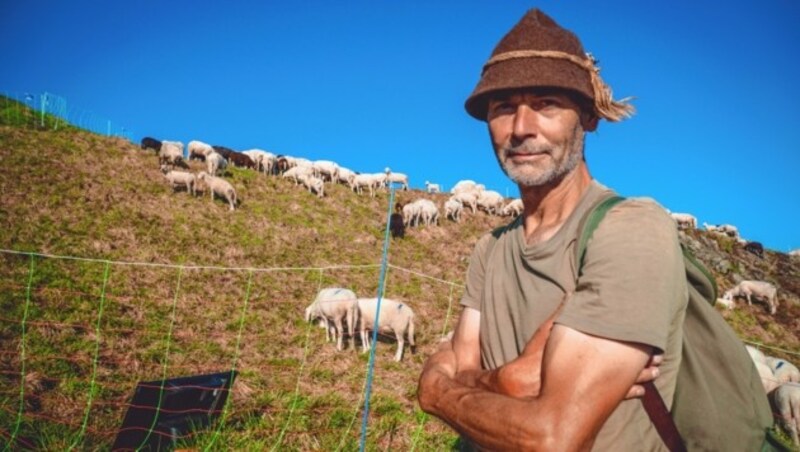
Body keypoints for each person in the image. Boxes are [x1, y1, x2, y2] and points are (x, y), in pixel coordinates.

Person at [417, 9, 690, 450]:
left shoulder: (630, 230)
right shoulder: (491, 248)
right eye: (504, 107)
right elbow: (464, 360)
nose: (521, 129)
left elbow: (552, 437)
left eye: (546, 104)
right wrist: (506, 380)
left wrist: (438, 391)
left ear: (587, 117)